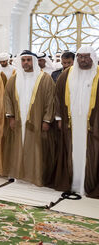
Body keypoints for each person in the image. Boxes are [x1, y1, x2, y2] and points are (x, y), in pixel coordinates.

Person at [50, 46, 99, 197]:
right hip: (70, 124)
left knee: (91, 154)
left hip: (93, 125)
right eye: (80, 57)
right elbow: (57, 97)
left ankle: (88, 184)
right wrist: (58, 118)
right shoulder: (67, 75)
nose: (83, 60)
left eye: (86, 56)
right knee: (71, 152)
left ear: (93, 57)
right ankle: (72, 183)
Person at [1, 51, 55, 186]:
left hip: (37, 121)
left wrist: (47, 120)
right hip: (18, 120)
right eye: (23, 60)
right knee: (18, 146)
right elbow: (7, 97)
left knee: (35, 148)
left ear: (34, 62)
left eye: (29, 60)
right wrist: (10, 116)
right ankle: (18, 175)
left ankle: (34, 176)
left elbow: (51, 100)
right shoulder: (15, 78)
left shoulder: (45, 78)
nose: (26, 63)